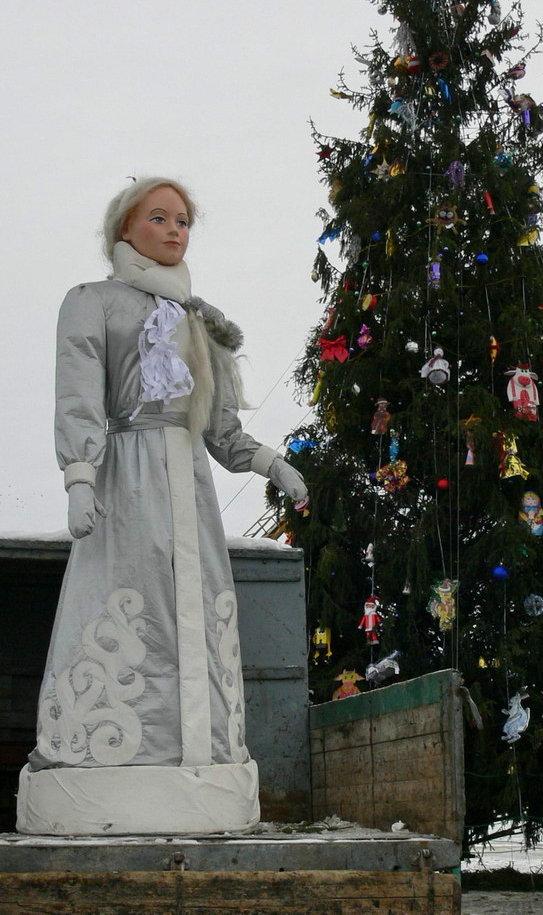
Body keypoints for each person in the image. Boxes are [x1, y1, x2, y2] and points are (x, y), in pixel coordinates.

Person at [16, 177, 308, 836]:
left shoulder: (200, 320)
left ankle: (199, 761)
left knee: (193, 616)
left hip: (190, 490)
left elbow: (221, 430)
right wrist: (80, 475)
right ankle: (104, 762)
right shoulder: (92, 302)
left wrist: (271, 462)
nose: (175, 230)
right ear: (124, 228)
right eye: (159, 217)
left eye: (183, 221)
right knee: (127, 604)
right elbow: (78, 389)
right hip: (125, 479)